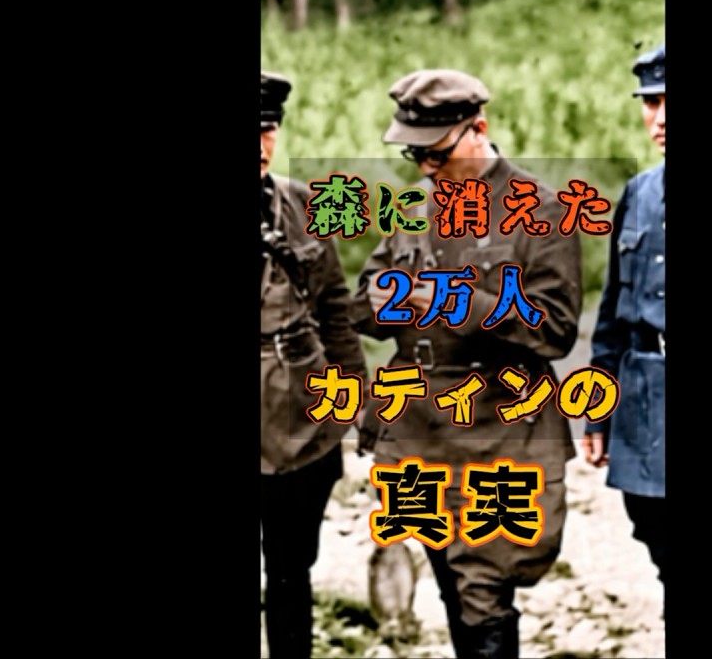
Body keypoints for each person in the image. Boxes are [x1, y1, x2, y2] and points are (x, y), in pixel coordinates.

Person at [352, 69, 582, 659]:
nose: (427, 168)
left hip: (499, 430)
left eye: (437, 153)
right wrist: (382, 301)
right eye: (414, 154)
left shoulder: (542, 209)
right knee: (452, 583)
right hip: (421, 427)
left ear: (478, 128)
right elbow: (365, 303)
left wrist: (460, 303)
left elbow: (556, 329)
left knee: (485, 588)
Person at [259, 70, 368, 658]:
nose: (260, 145)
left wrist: (358, 402)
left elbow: (336, 314)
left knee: (291, 571)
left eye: (267, 129)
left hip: (304, 423)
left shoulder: (303, 204)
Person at [581, 44, 667, 621]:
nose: (659, 119)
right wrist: (597, 408)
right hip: (646, 398)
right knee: (658, 538)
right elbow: (614, 311)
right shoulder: (639, 193)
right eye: (651, 103)